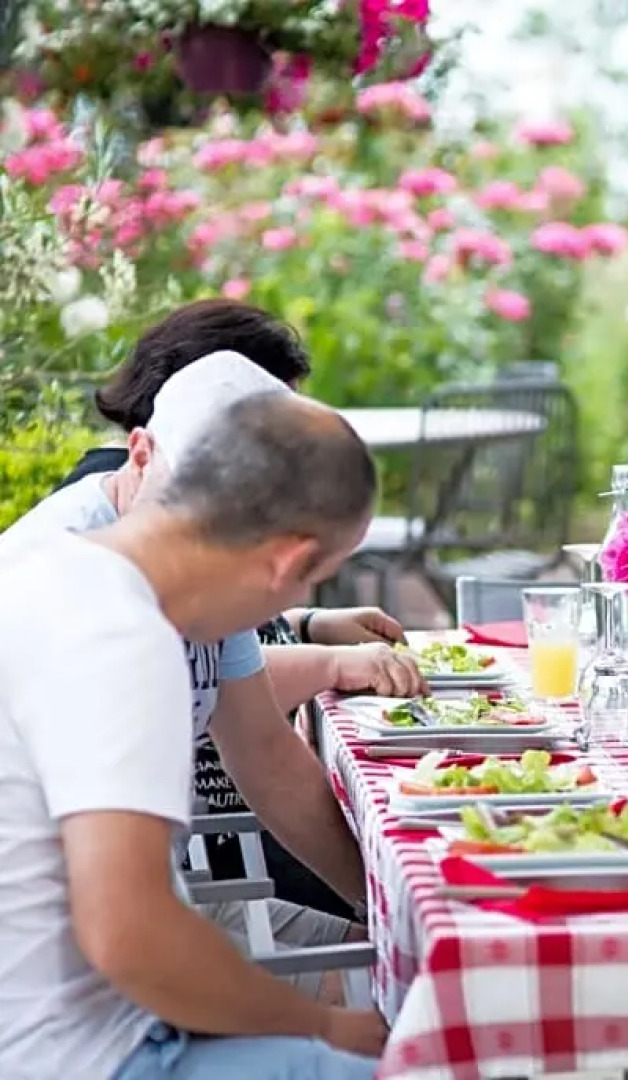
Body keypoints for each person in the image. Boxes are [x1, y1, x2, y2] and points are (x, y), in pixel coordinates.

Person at [0, 390, 385, 1079]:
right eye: (314, 581)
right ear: (286, 562)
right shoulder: (122, 634)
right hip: (85, 1056)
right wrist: (327, 1026)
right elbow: (131, 935)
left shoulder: (45, 569)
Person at [41, 300, 425, 925]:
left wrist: (386, 909)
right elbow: (116, 935)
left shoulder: (180, 566)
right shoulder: (85, 599)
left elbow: (265, 751)